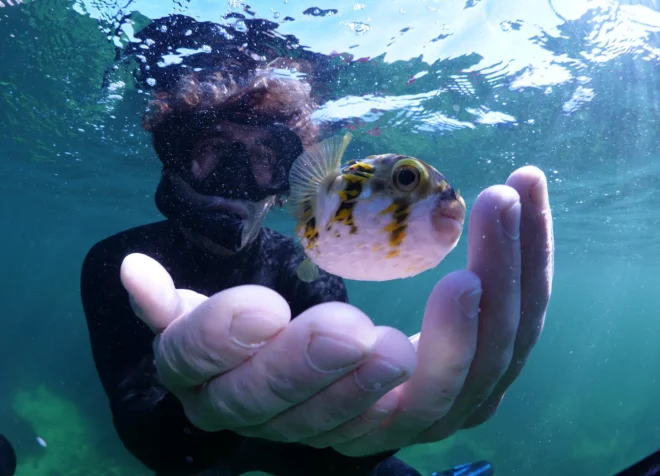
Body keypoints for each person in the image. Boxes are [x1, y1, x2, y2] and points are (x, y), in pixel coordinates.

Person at [81, 15, 554, 476]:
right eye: (207, 149)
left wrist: (379, 433)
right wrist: (205, 416)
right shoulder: (118, 262)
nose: (234, 180)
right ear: (171, 159)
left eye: (267, 158)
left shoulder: (305, 265)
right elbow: (145, 430)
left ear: (293, 179)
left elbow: (329, 436)